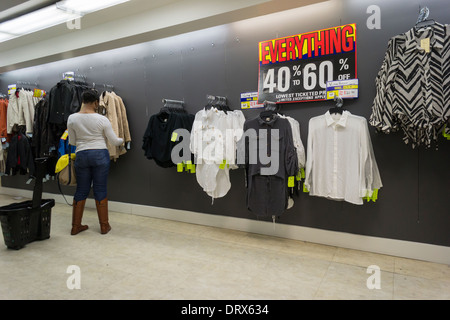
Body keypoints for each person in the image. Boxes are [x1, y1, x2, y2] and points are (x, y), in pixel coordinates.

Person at [67, 89, 124, 235]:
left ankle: (75, 226)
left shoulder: (72, 118)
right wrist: (123, 140)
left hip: (81, 154)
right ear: (95, 102)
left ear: (83, 102)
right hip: (100, 155)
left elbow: (72, 141)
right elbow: (114, 141)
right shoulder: (102, 119)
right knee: (100, 189)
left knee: (81, 190)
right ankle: (104, 226)